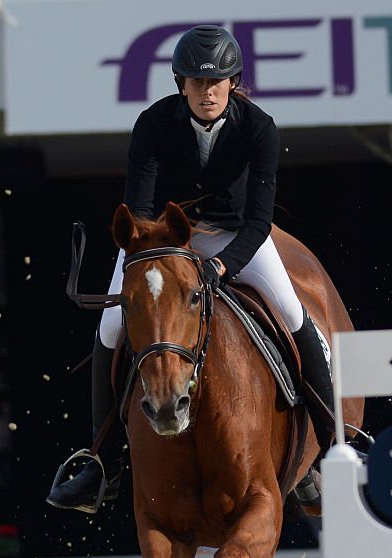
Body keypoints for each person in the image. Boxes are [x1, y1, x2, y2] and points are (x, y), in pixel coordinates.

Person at [47, 24, 334, 514]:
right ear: (181, 84)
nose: (208, 92)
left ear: (234, 82)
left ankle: (334, 448)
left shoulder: (259, 127)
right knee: (111, 324)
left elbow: (260, 218)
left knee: (291, 311)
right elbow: (138, 209)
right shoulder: (153, 124)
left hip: (235, 234)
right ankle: (102, 464)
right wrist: (154, 254)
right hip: (162, 239)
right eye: (198, 83)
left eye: (218, 82)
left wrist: (224, 266)